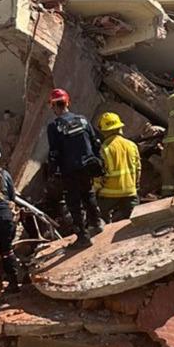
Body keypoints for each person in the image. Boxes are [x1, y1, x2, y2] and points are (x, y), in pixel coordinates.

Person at [46, 88, 103, 247]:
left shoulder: (54, 126)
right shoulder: (83, 120)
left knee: (73, 202)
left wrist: (52, 172)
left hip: (69, 170)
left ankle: (83, 237)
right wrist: (97, 160)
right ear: (67, 102)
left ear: (53, 106)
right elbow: (95, 142)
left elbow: (54, 153)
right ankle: (96, 224)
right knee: (88, 193)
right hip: (87, 167)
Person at [95, 112, 141, 222]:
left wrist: (95, 190)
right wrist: (135, 185)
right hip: (130, 192)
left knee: (99, 219)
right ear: (120, 128)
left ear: (103, 131)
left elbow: (99, 175)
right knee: (136, 219)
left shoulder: (104, 149)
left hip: (108, 195)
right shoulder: (132, 145)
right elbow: (138, 169)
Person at [0, 143, 21, 295]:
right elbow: (11, 197)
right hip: (5, 217)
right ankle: (14, 283)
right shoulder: (5, 175)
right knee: (7, 251)